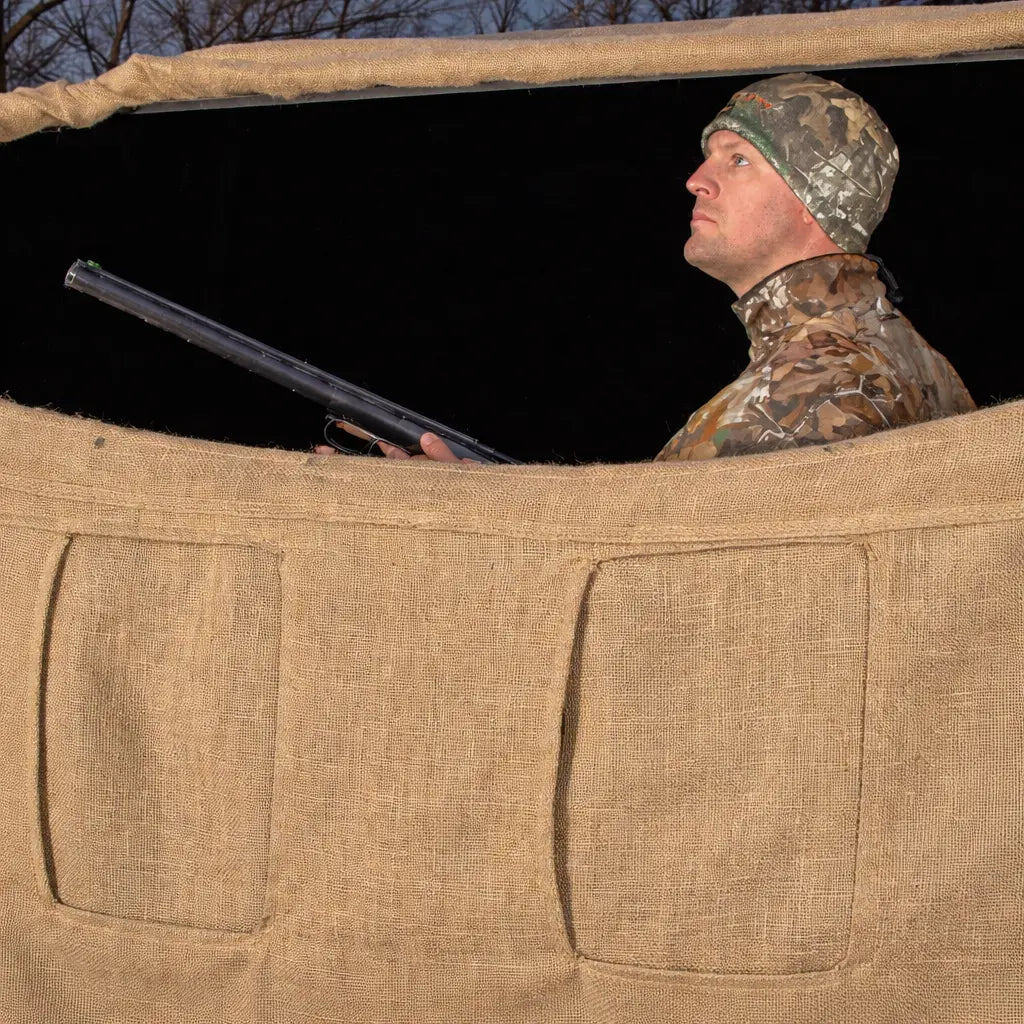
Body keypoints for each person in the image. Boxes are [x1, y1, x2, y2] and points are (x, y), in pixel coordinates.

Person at [327, 73, 975, 463]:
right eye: (707, 157)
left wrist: (459, 512)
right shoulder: (909, 356)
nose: (697, 180)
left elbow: (649, 589)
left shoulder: (805, 391)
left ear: (815, 199)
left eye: (738, 159)